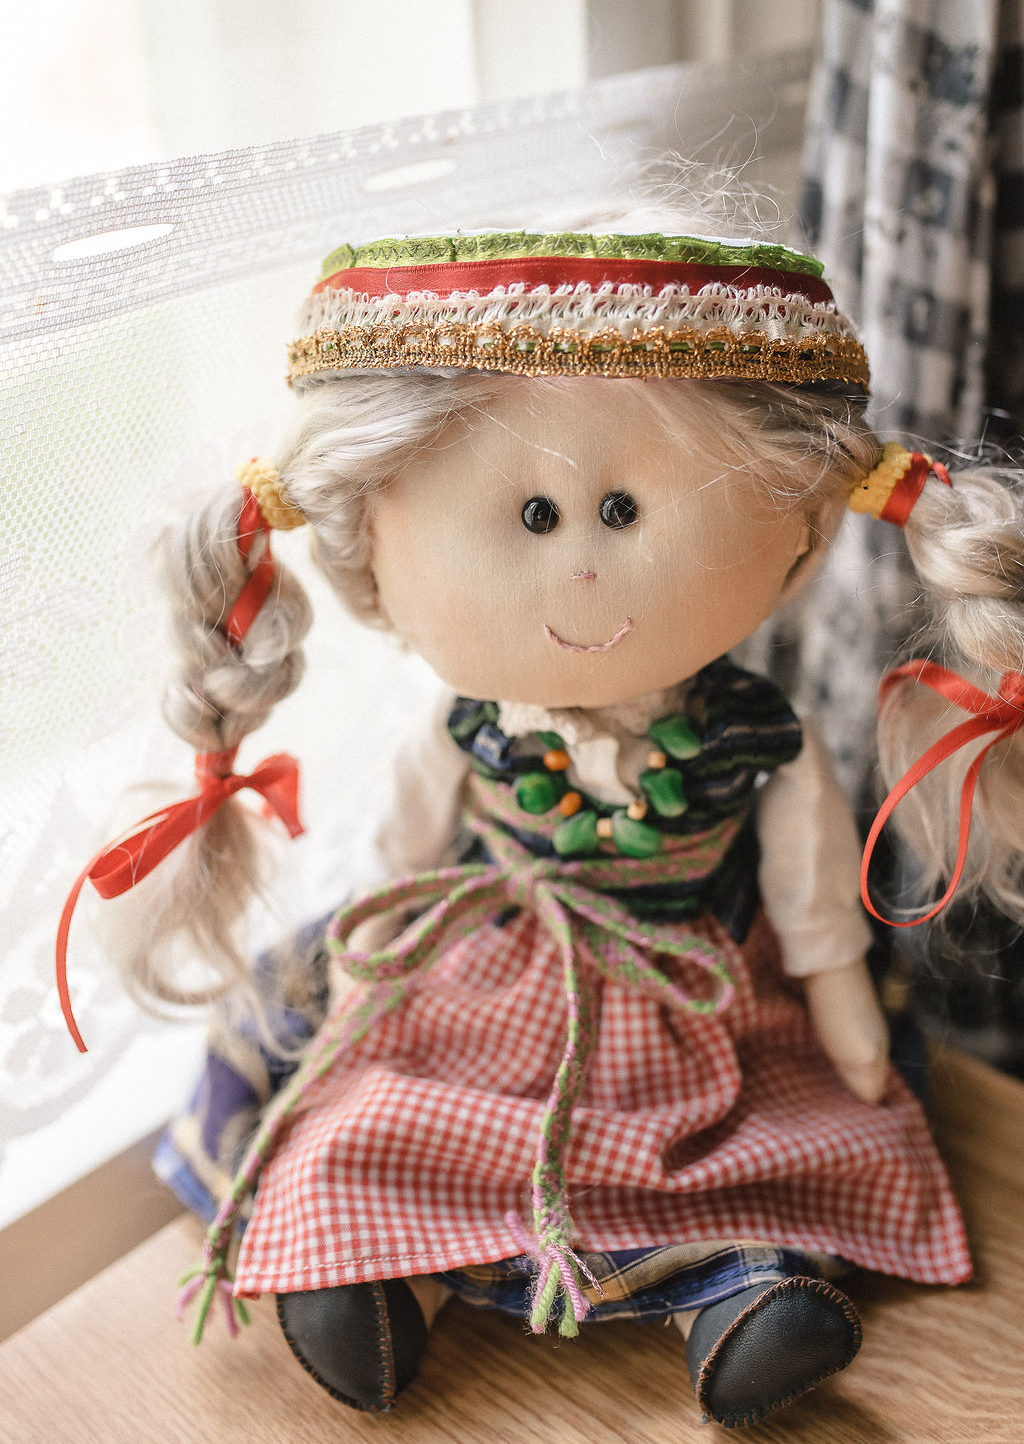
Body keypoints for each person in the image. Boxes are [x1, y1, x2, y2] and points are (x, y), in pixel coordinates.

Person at [65, 224, 1024, 1427]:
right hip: (480, 982)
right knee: (383, 1118)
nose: (579, 564)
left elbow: (810, 888)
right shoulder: (466, 731)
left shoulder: (752, 739)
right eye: (533, 514)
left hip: (699, 985)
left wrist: (837, 992)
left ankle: (739, 1290)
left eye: (622, 508)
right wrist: (364, 971)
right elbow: (398, 855)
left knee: (764, 1136)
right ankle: (384, 1278)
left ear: (798, 525)